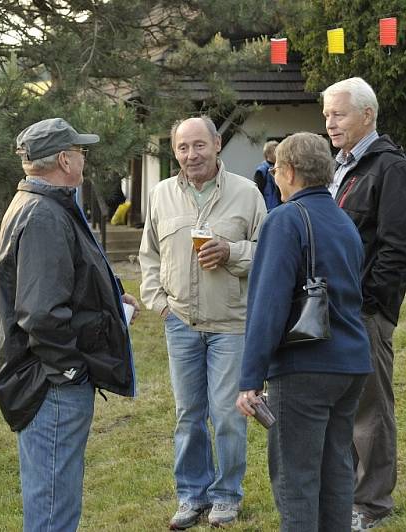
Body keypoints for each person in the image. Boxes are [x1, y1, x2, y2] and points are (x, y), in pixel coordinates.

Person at [0, 117, 139, 532]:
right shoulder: (43, 214)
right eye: (80, 150)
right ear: (64, 159)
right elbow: (40, 312)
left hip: (48, 377)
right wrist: (70, 369)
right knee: (53, 507)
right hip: (51, 383)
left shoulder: (44, 203)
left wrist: (110, 301)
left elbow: (60, 283)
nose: (84, 157)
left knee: (54, 498)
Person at [236, 133, 373, 531]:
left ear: (290, 172)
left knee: (296, 478)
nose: (275, 175)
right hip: (351, 363)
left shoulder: (284, 219)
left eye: (277, 168)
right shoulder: (344, 221)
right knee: (336, 472)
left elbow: (268, 304)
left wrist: (249, 378)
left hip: (304, 366)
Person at [139, 116, 267, 529]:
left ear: (216, 144)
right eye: (182, 148)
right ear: (174, 151)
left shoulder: (247, 194)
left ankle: (227, 496)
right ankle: (192, 495)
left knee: (228, 414)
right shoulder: (161, 195)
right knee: (188, 413)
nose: (191, 155)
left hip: (232, 324)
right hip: (180, 323)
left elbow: (268, 252)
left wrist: (231, 252)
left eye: (198, 145)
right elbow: (149, 256)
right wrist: (158, 303)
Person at [322, 77, 406, 530]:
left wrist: (376, 306)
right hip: (332, 307)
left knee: (370, 409)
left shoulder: (389, 168)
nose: (330, 122)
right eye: (326, 115)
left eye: (338, 114)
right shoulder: (339, 166)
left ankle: (372, 503)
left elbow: (396, 247)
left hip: (364, 310)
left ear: (367, 115)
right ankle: (348, 493)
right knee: (341, 406)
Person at [253, 140, 282, 212]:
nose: (279, 154)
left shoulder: (280, 168)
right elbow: (257, 192)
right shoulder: (262, 170)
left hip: (281, 207)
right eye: (276, 152)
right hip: (268, 209)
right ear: (268, 153)